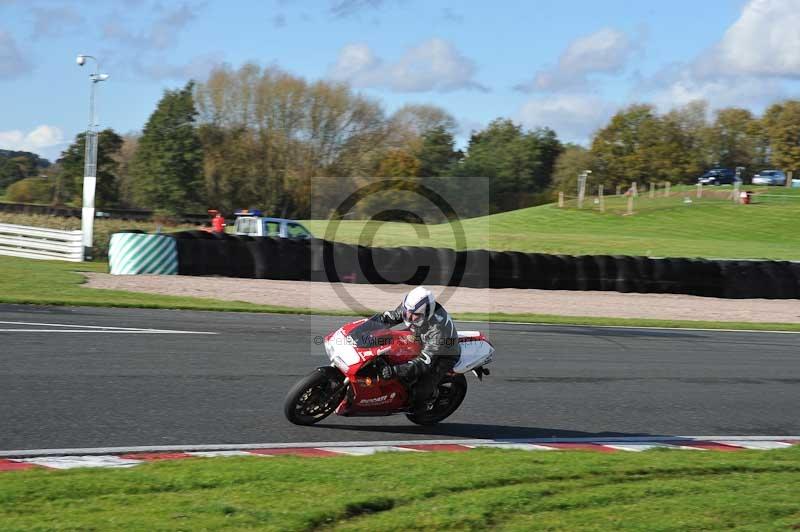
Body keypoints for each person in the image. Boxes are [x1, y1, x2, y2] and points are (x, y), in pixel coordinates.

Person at [379, 287, 460, 411]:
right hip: (420, 336)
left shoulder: (438, 330)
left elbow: (424, 361)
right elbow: (390, 317)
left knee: (420, 389)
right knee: (388, 343)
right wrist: (368, 326)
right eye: (407, 313)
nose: (409, 317)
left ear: (426, 313)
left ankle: (425, 405)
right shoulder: (412, 307)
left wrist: (395, 370)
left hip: (443, 353)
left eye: (415, 315)